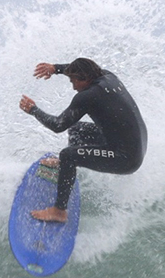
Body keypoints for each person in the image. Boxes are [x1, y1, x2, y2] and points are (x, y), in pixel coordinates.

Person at [18, 58, 148, 222]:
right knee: (76, 129)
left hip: (126, 158)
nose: (73, 87)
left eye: (74, 81)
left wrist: (33, 110)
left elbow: (58, 125)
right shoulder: (107, 76)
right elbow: (76, 70)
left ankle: (59, 212)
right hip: (136, 144)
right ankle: (65, 167)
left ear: (84, 79)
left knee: (68, 155)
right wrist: (55, 68)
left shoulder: (87, 96)